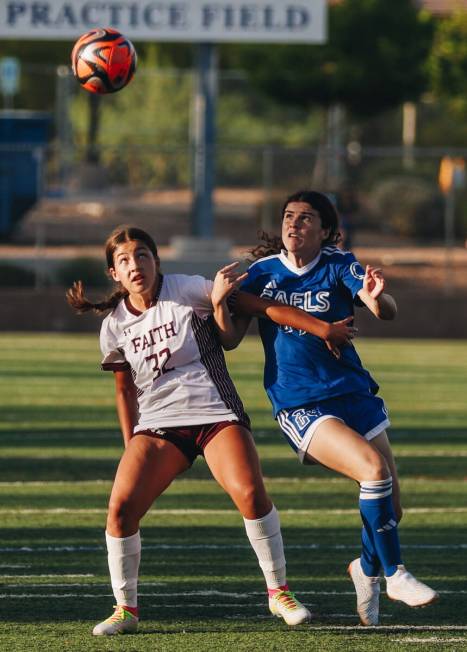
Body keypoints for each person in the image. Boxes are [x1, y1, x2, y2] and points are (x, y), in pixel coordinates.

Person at [66, 224, 357, 636]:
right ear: (114, 273)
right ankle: (125, 609)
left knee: (251, 494)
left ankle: (279, 592)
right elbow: (124, 388)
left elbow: (258, 306)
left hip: (214, 414)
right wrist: (132, 446)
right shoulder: (114, 324)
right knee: (120, 510)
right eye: (125, 260)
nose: (136, 266)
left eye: (142, 255)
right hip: (158, 427)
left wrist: (321, 327)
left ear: (157, 260)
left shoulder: (185, 288)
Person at [212, 190, 439, 627]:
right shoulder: (261, 273)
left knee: (391, 509)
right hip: (301, 400)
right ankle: (395, 573)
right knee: (373, 471)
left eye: (305, 218)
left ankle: (365, 568)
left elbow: (384, 310)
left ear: (326, 231)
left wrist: (376, 298)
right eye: (288, 217)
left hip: (352, 391)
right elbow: (229, 338)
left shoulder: (338, 263)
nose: (293, 224)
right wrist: (222, 301)